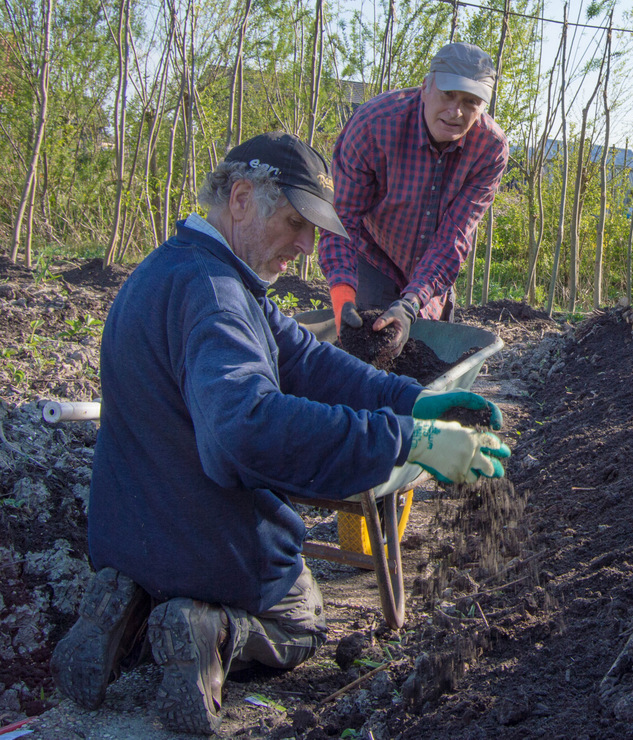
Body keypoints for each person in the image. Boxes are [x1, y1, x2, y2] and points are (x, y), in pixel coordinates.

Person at [49, 131, 509, 735]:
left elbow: (308, 361)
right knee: (303, 619)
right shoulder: (215, 297)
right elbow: (248, 427)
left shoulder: (181, 269)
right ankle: (211, 631)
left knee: (168, 566)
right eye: (295, 222)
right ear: (240, 197)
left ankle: (132, 608)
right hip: (208, 543)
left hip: (125, 531)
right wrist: (410, 442)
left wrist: (415, 401)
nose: (305, 245)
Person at [318, 42, 509, 356]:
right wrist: (342, 292)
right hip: (373, 254)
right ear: (425, 87)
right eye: (448, 94)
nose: (456, 112)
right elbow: (342, 219)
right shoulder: (374, 125)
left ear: (483, 107)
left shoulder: (489, 149)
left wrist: (411, 303)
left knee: (423, 352)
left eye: (470, 102)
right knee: (369, 348)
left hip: (432, 263)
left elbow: (454, 236)